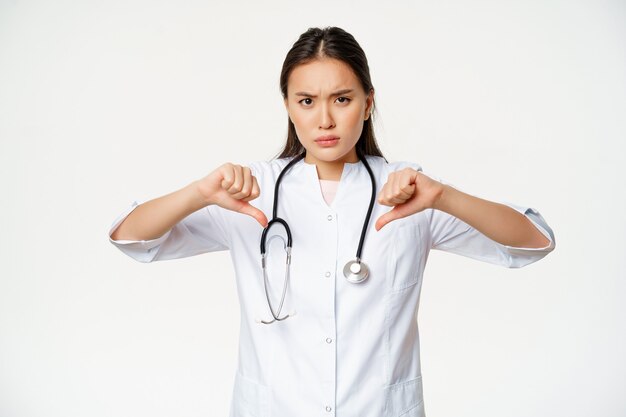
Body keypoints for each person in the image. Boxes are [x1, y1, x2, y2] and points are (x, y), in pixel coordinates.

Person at [108, 26, 555, 417]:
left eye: (342, 99)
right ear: (288, 106)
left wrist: (444, 196)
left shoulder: (410, 192)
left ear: (367, 103)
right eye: (306, 101)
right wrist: (197, 193)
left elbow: (532, 242)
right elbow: (131, 237)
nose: (324, 119)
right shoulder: (251, 192)